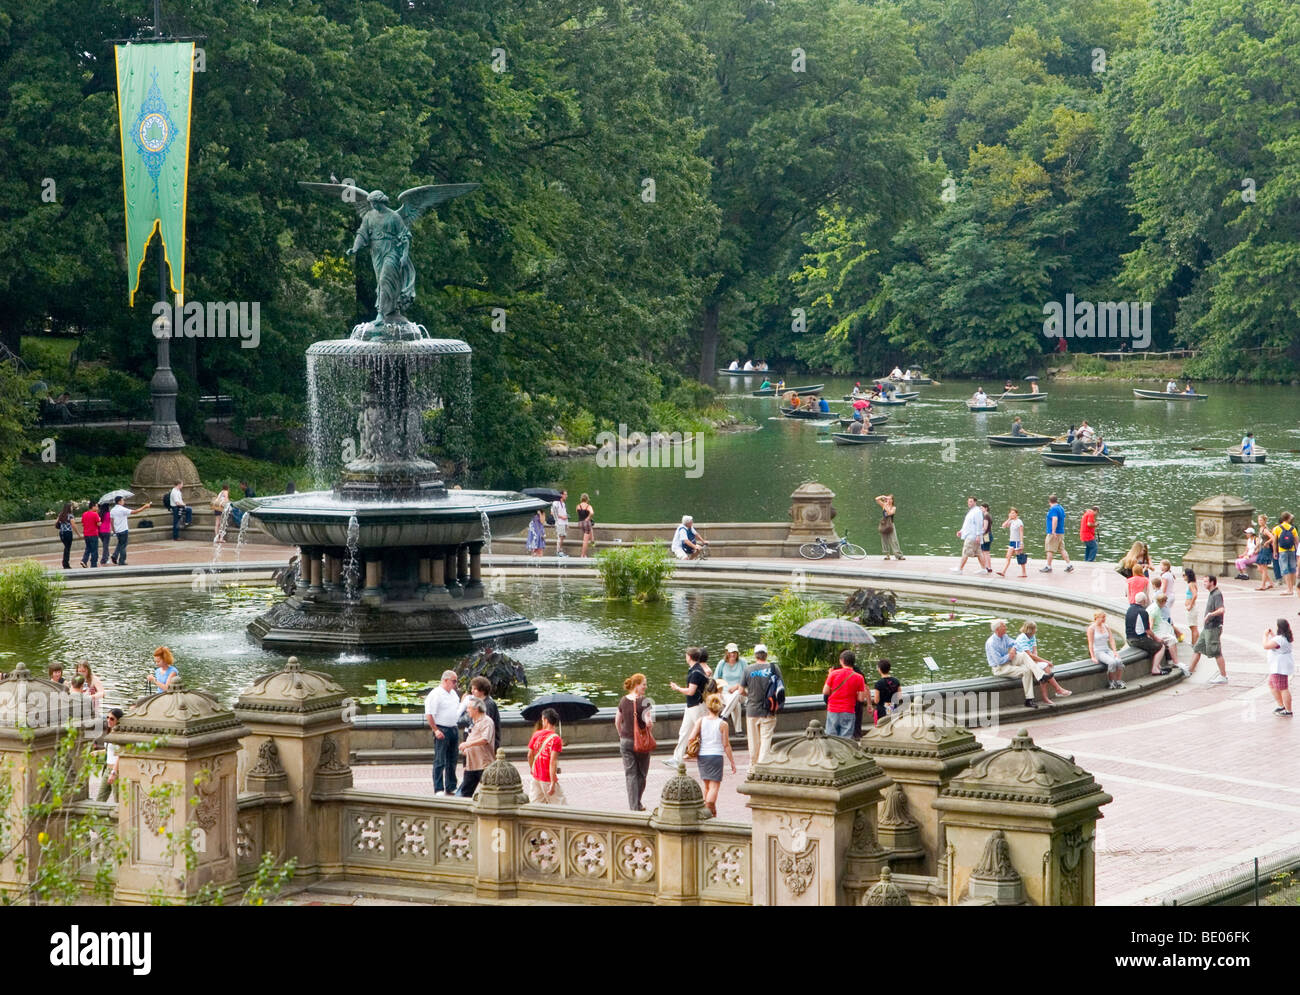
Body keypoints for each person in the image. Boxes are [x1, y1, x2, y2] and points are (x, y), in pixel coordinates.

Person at [686, 695, 735, 816]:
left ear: (708, 707)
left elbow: (691, 737)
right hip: (716, 756)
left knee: (707, 785)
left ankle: (709, 810)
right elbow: (726, 745)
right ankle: (708, 810)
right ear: (720, 708)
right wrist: (732, 762)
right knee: (714, 787)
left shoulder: (701, 721)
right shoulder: (723, 724)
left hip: (702, 755)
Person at [615, 673, 655, 810]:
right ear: (637, 685)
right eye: (644, 684)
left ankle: (634, 805)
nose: (645, 687)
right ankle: (636, 804)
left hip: (625, 741)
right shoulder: (645, 701)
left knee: (630, 774)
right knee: (642, 774)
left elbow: (617, 721)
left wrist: (622, 735)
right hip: (642, 742)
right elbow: (649, 722)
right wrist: (649, 723)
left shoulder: (623, 700)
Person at [669, 646, 710, 765]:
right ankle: (677, 758)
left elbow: (691, 691)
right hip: (691, 706)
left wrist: (677, 688)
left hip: (697, 706)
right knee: (684, 731)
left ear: (689, 657)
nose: (685, 657)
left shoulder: (696, 672)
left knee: (703, 732)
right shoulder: (694, 669)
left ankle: (708, 756)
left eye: (686, 655)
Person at [740, 645, 781, 764]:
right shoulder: (774, 668)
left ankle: (753, 765)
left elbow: (740, 690)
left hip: (752, 710)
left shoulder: (748, 669)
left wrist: (749, 695)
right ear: (766, 655)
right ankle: (762, 765)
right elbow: (780, 688)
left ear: (755, 655)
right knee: (766, 739)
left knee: (753, 741)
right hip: (769, 709)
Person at [985, 619, 1039, 709]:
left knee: (1023, 655)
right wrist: (1009, 656)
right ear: (998, 629)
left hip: (1009, 661)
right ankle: (1029, 700)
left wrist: (1013, 648)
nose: (1006, 627)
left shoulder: (1004, 636)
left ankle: (1040, 676)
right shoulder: (991, 643)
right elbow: (998, 661)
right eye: (1004, 626)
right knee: (1026, 671)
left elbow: (1016, 643)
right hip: (1000, 668)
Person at [424, 670, 461, 795]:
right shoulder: (435, 694)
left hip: (453, 727)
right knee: (440, 760)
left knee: (453, 759)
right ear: (445, 680)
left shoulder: (453, 694)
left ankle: (451, 785)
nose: (455, 684)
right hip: (442, 728)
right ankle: (438, 788)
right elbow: (429, 714)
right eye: (454, 681)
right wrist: (435, 730)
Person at [1015, 622, 1070, 703]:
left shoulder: (1032, 636)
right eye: (1034, 629)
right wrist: (1046, 661)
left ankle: (1049, 696)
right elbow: (1028, 654)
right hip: (1022, 662)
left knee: (1045, 669)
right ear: (1030, 630)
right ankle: (1057, 690)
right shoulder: (1022, 638)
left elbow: (1034, 651)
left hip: (1031, 661)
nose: (1036, 630)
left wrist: (1036, 661)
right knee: (1045, 667)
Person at [1187, 575, 1227, 683]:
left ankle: (1223, 676)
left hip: (1214, 627)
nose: (1204, 583)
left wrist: (1210, 615)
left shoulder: (1217, 594)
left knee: (1216, 651)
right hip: (1207, 627)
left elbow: (1221, 609)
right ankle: (1189, 670)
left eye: (1206, 582)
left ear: (1212, 582)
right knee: (1198, 647)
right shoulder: (1212, 593)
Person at [821, 650, 866, 738]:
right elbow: (861, 698)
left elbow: (825, 691)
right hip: (848, 710)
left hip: (833, 709)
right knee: (846, 738)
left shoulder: (833, 674)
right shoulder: (859, 677)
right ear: (853, 662)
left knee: (832, 737)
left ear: (841, 661)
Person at [456, 697, 495, 797]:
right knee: (465, 792)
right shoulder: (474, 722)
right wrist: (467, 750)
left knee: (489, 791)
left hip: (483, 764)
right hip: (471, 764)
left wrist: (467, 744)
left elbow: (485, 739)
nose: (467, 710)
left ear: (476, 709)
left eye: (469, 708)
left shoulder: (487, 721)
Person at [526, 708, 565, 804]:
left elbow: (529, 755)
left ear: (546, 720)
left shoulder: (536, 734)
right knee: (560, 805)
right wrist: (552, 782)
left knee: (536, 804)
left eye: (542, 720)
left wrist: (532, 768)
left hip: (536, 776)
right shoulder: (556, 739)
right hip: (547, 776)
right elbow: (552, 761)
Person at [1125, 592, 1169, 677]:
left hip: (1129, 639)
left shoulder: (1129, 609)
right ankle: (1155, 669)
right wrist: (1157, 639)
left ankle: (1158, 666)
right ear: (1144, 601)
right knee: (1161, 647)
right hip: (1138, 640)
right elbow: (1148, 630)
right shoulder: (1143, 612)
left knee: (1152, 644)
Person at [459, 676, 501, 753]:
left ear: (482, 690)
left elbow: (485, 725)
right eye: (472, 689)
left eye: (475, 689)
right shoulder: (477, 702)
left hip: (484, 748)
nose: (472, 691)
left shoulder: (488, 704)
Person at [108, 495, 152, 565]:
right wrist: (145, 507)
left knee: (120, 544)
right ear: (119, 502)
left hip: (117, 530)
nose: (123, 501)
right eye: (122, 500)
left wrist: (113, 530)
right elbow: (135, 512)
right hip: (123, 529)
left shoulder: (112, 510)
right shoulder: (122, 509)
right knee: (123, 546)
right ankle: (122, 561)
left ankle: (115, 555)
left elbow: (111, 521)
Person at [1087, 611, 1126, 689]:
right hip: (1098, 651)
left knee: (1118, 661)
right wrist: (1092, 656)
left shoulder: (1106, 626)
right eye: (1103, 617)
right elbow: (1090, 643)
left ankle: (1118, 681)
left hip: (1106, 649)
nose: (1104, 619)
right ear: (1097, 618)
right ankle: (1111, 682)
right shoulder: (1091, 628)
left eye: (1105, 617)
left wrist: (1115, 651)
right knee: (1112, 662)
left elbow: (1111, 639)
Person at [95, 708, 125, 802]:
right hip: (107, 769)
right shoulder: (110, 732)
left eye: (112, 719)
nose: (108, 720)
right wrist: (97, 752)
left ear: (118, 721)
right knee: (100, 799)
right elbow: (110, 751)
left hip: (116, 770)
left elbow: (120, 754)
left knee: (118, 800)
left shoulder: (120, 735)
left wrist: (114, 772)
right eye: (107, 718)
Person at [1265, 620, 1294, 716]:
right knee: (1272, 685)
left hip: (1279, 668)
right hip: (1279, 667)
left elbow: (1266, 645)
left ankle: (1288, 710)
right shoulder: (1284, 637)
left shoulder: (1280, 639)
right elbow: (1277, 642)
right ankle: (1281, 705)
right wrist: (1272, 635)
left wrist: (1265, 636)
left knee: (1283, 688)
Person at [714, 643, 747, 727]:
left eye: (734, 652)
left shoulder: (742, 662)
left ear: (737, 653)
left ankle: (723, 716)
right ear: (727, 653)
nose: (732, 654)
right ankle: (738, 731)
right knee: (737, 705)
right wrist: (718, 692)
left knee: (737, 692)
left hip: (741, 693)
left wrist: (737, 686)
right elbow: (715, 679)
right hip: (726, 693)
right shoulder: (722, 663)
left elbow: (748, 677)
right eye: (730, 652)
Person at [1041, 495, 1073, 573]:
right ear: (1056, 500)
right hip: (1061, 532)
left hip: (1053, 533)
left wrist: (1053, 531)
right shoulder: (1061, 508)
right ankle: (1069, 565)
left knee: (1049, 550)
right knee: (1062, 549)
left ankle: (1048, 567)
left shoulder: (1053, 509)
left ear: (1049, 502)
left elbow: (1055, 519)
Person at [954, 497, 985, 573]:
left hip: (972, 536)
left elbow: (979, 523)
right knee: (979, 553)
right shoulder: (971, 511)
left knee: (965, 552)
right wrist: (961, 531)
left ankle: (960, 569)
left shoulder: (977, 511)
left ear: (975, 502)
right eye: (968, 501)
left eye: (971, 501)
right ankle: (984, 569)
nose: (969, 503)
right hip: (970, 535)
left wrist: (978, 535)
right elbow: (967, 524)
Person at [1273, 512, 1299, 595]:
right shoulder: (1293, 528)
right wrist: (1297, 552)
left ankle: (1289, 589)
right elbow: (1297, 542)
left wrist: (1275, 551)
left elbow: (1274, 542)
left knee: (1285, 569)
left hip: (1282, 550)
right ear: (1288, 519)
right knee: (1292, 569)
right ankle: (1292, 588)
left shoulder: (1277, 528)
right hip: (1292, 550)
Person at [997, 507, 1027, 578]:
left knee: (1020, 557)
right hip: (1011, 541)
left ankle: (1024, 572)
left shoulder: (1019, 522)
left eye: (1013, 513)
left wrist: (1021, 542)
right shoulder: (1011, 521)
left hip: (1017, 541)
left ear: (1016, 514)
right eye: (1011, 513)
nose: (1011, 514)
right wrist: (1009, 519)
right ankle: (1003, 571)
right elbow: (1003, 526)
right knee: (1008, 556)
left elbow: (1021, 532)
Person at [871, 659, 902, 724]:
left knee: (883, 725)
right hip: (893, 707)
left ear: (879, 669)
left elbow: (876, 700)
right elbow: (899, 697)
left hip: (882, 710)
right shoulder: (896, 681)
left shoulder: (878, 683)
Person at [875, 494, 903, 560]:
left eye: (890, 499)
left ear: (892, 500)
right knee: (884, 540)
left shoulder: (893, 507)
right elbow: (876, 499)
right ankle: (887, 555)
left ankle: (898, 555)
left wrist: (886, 505)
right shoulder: (884, 505)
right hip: (884, 524)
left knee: (894, 540)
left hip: (891, 525)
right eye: (888, 499)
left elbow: (890, 513)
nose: (889, 500)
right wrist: (883, 496)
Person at [1255, 515, 1276, 589]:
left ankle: (1263, 585)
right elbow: (1259, 539)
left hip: (1266, 550)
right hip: (1261, 549)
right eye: (1259, 520)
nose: (1259, 522)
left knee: (1264, 568)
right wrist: (1257, 547)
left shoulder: (1265, 529)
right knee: (1259, 568)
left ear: (1264, 521)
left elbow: (1273, 537)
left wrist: (1267, 542)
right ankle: (1270, 583)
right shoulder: (1260, 528)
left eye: (1261, 520)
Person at [78, 499, 100, 568]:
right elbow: (98, 524)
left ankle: (84, 560)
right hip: (93, 534)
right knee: (94, 550)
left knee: (88, 549)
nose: (97, 508)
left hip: (86, 534)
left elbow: (83, 524)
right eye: (96, 507)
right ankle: (93, 565)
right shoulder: (95, 514)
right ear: (93, 507)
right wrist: (100, 520)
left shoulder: (84, 514)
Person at [1183, 567, 1200, 645]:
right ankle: (1197, 642)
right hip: (1191, 607)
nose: (1183, 577)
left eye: (1184, 575)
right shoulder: (1192, 584)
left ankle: (1194, 643)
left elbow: (1195, 595)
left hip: (1192, 608)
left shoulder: (1191, 584)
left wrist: (1190, 605)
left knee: (1193, 627)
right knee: (1193, 626)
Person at [55, 502, 74, 570]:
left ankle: (65, 562)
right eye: (71, 507)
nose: (72, 508)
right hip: (68, 533)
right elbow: (73, 525)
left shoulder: (61, 514)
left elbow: (56, 522)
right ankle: (66, 563)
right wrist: (78, 533)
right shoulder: (70, 515)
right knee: (67, 548)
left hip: (62, 533)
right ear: (69, 508)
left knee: (66, 547)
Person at [551, 490, 569, 557]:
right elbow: (553, 513)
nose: (566, 496)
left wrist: (567, 523)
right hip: (559, 522)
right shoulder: (556, 503)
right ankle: (558, 552)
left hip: (564, 523)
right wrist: (562, 517)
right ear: (561, 495)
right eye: (565, 494)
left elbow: (564, 513)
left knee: (562, 537)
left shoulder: (563, 504)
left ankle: (560, 551)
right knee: (560, 537)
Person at [576, 493, 595, 557]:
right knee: (585, 541)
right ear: (587, 499)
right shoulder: (588, 506)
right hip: (586, 523)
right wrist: (588, 518)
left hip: (580, 523)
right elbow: (592, 513)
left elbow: (578, 513)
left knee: (586, 536)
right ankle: (583, 555)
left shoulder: (578, 506)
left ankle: (592, 540)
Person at [979, 502, 994, 572]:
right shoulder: (989, 515)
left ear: (986, 508)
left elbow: (984, 528)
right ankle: (988, 567)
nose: (980, 509)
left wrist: (978, 534)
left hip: (986, 535)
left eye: (981, 508)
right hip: (988, 534)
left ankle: (986, 567)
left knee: (985, 552)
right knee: (986, 552)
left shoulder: (985, 516)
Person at [97, 502, 112, 567]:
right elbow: (111, 521)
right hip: (106, 531)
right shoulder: (108, 513)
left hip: (100, 531)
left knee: (105, 545)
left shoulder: (99, 514)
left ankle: (107, 556)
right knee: (105, 546)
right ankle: (104, 559)